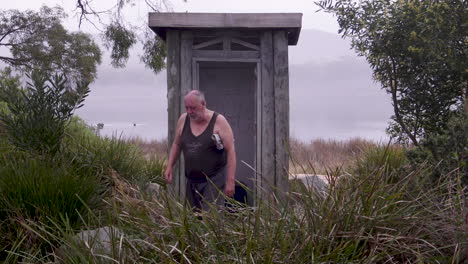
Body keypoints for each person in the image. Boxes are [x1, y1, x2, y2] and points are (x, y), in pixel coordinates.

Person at [164, 90, 236, 211]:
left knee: (211, 221)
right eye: (186, 108)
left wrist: (230, 181)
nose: (189, 112)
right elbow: (177, 144)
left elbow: (231, 152)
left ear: (203, 103)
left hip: (213, 181)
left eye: (192, 108)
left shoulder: (219, 121)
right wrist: (169, 166)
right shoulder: (183, 120)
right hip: (192, 181)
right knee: (193, 220)